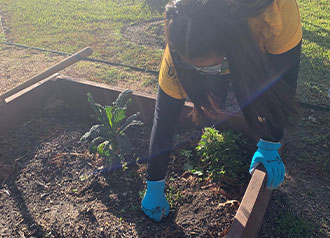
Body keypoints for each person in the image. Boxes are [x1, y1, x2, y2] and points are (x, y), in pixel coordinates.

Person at [141, 0, 302, 222]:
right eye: (193, 66)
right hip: (220, 47)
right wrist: (155, 184)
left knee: (252, 86)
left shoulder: (274, 13)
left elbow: (284, 81)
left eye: (212, 67)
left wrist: (271, 142)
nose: (200, 73)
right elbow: (165, 115)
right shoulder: (184, 31)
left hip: (251, 36)